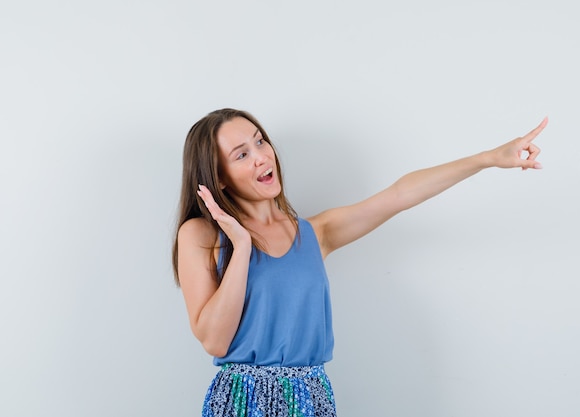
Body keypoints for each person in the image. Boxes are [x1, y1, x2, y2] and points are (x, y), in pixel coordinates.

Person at [172, 108, 547, 417]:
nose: (261, 156)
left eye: (259, 141)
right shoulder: (201, 236)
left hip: (311, 398)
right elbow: (215, 340)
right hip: (242, 401)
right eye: (241, 154)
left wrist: (489, 159)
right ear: (218, 178)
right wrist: (240, 246)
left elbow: (399, 195)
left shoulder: (315, 234)